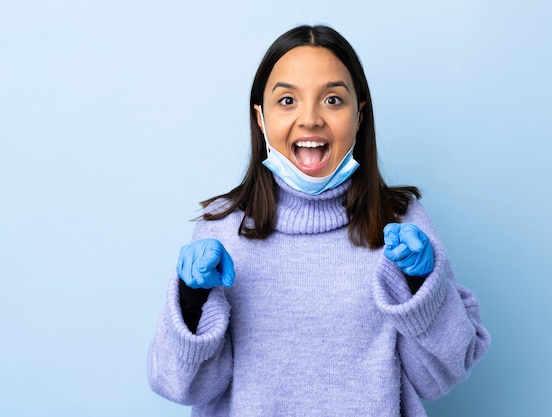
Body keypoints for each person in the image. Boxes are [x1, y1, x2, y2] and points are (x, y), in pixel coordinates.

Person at [147, 24, 490, 417]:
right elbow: (179, 385)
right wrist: (193, 300)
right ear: (259, 118)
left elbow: (443, 373)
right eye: (288, 100)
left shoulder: (400, 225)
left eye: (332, 99)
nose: (310, 119)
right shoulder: (221, 231)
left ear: (360, 116)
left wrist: (420, 284)